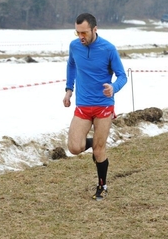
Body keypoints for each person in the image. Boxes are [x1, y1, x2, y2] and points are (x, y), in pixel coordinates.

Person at [63, 13, 127, 201]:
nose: (81, 36)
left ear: (94, 29)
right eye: (78, 33)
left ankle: (102, 186)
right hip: (83, 104)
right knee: (74, 147)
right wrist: (68, 90)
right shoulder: (74, 46)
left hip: (103, 106)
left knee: (99, 151)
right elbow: (71, 66)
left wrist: (113, 87)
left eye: (84, 32)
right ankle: (97, 143)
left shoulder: (108, 49)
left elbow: (122, 75)